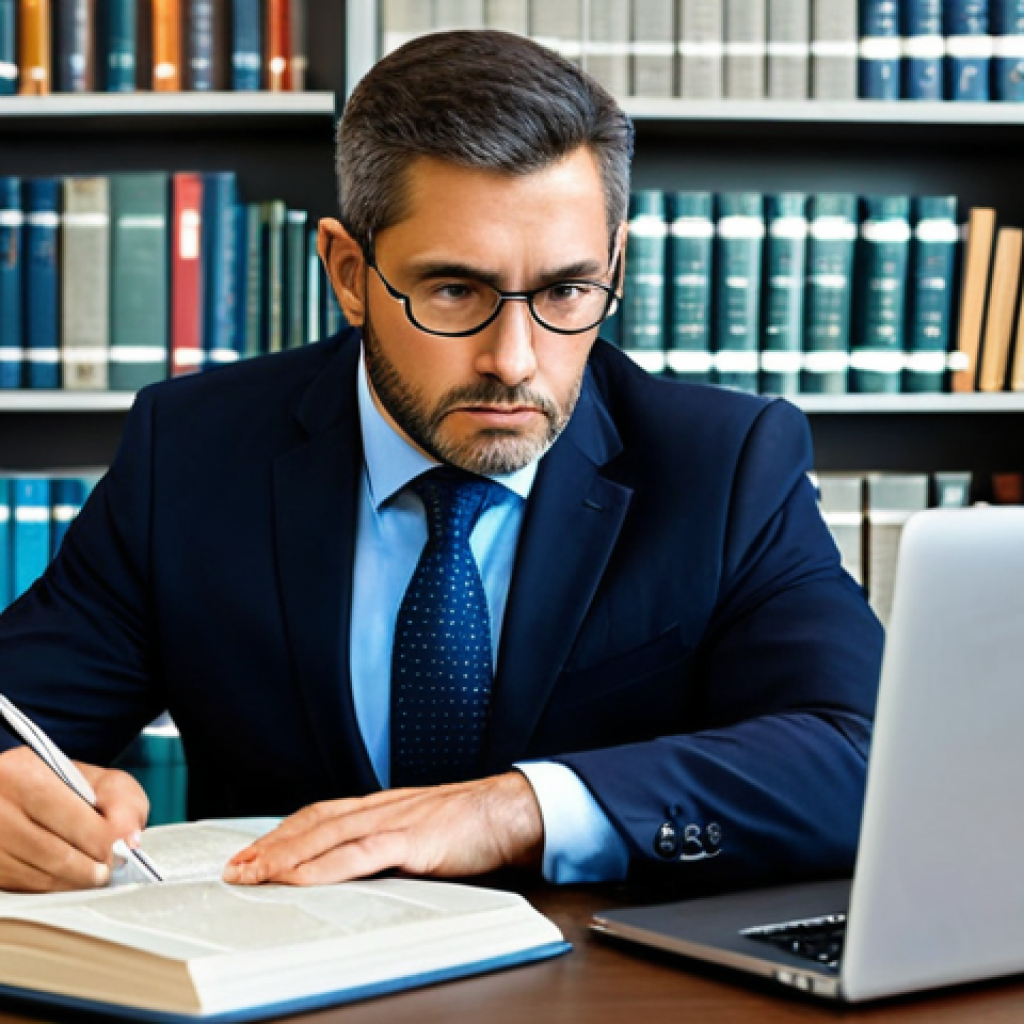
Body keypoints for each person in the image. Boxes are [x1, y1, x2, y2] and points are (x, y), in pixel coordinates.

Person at [0, 30, 882, 894]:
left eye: (567, 291)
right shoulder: (191, 452)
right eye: (456, 289)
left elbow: (863, 756)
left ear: (613, 265)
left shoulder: (724, 464)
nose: (516, 358)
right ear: (350, 273)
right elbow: (14, 718)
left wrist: (514, 810)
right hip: (279, 987)